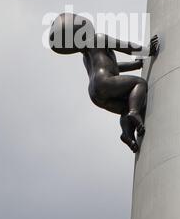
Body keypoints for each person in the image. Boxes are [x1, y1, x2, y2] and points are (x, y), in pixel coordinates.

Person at [49, 13, 159, 153]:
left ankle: (128, 135)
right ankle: (134, 112)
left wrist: (135, 65)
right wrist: (147, 50)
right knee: (139, 84)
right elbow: (125, 46)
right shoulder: (98, 38)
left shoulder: (85, 56)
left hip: (95, 92)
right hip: (105, 81)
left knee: (124, 106)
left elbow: (113, 67)